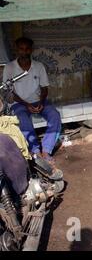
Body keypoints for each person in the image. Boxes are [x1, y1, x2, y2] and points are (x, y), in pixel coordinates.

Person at [3, 37, 62, 165]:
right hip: (19, 103)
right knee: (22, 120)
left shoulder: (38, 66)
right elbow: (9, 92)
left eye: (27, 49)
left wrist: (41, 102)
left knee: (54, 115)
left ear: (31, 50)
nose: (24, 52)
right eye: (21, 49)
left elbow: (44, 88)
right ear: (17, 50)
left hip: (38, 101)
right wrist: (26, 104)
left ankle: (46, 150)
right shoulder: (9, 67)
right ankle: (35, 151)